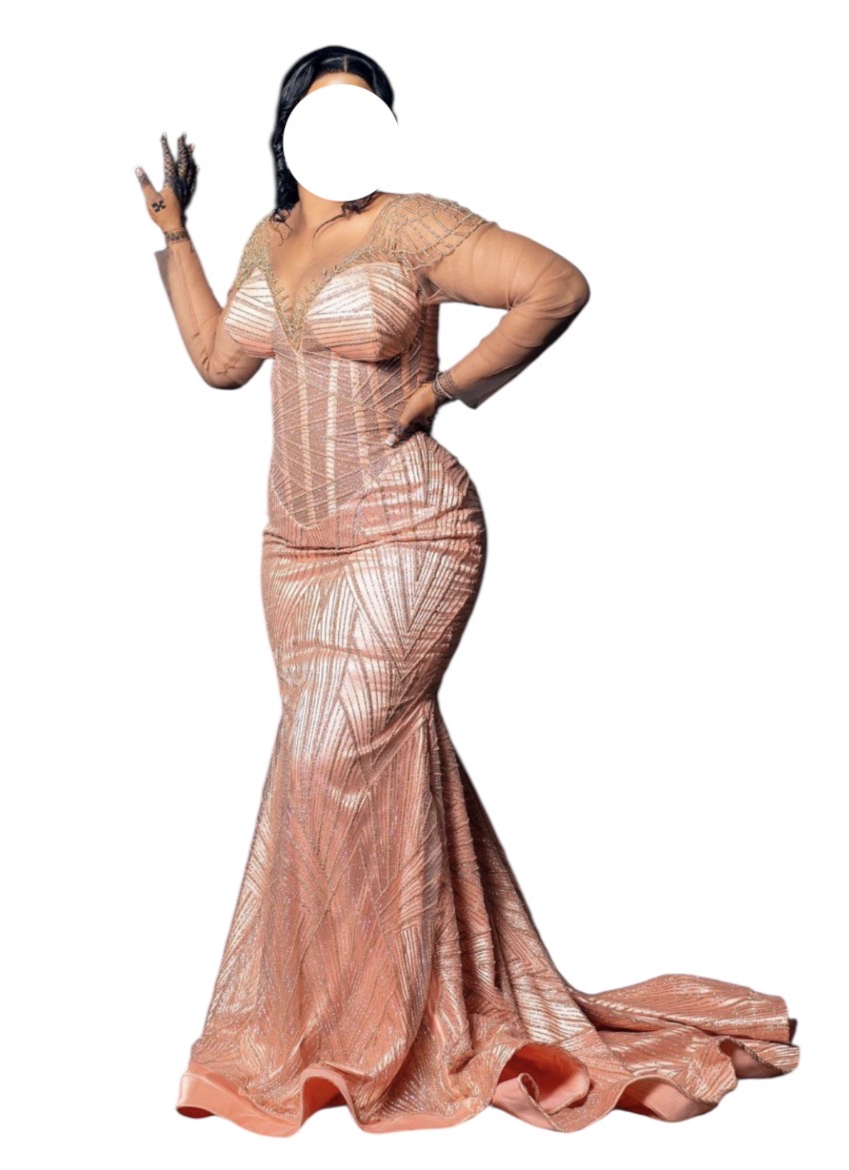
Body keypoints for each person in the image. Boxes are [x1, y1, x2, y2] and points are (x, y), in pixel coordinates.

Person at [136, 45, 799, 1138]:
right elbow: (218, 360)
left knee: (325, 755)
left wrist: (448, 386)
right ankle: (373, 1015)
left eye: (363, 113)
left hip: (410, 530)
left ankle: (397, 1031)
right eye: (323, 113)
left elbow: (557, 285)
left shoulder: (414, 226)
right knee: (349, 775)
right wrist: (175, 239)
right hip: (294, 550)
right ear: (288, 129)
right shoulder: (266, 239)